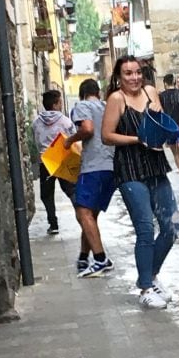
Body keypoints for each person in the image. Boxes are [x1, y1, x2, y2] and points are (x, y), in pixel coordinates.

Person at [101, 55, 179, 309]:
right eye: (127, 73)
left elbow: (161, 125)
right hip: (130, 170)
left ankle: (150, 275)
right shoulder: (116, 99)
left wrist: (162, 124)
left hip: (156, 166)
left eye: (137, 72)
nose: (134, 77)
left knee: (172, 227)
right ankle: (146, 288)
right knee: (145, 228)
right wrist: (137, 139)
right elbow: (106, 136)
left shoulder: (150, 92)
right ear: (119, 77)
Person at [64, 79, 116, 277]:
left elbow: (87, 129)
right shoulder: (107, 106)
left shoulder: (82, 106)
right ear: (98, 93)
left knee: (83, 213)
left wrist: (70, 140)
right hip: (111, 167)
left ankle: (101, 259)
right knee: (90, 216)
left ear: (81, 94)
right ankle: (84, 257)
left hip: (93, 166)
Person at [32, 90, 76, 235]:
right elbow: (72, 139)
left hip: (46, 161)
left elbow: (37, 142)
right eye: (60, 103)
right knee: (71, 190)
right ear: (56, 104)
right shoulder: (65, 121)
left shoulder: (36, 122)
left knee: (46, 194)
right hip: (62, 160)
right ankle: (83, 217)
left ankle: (53, 223)